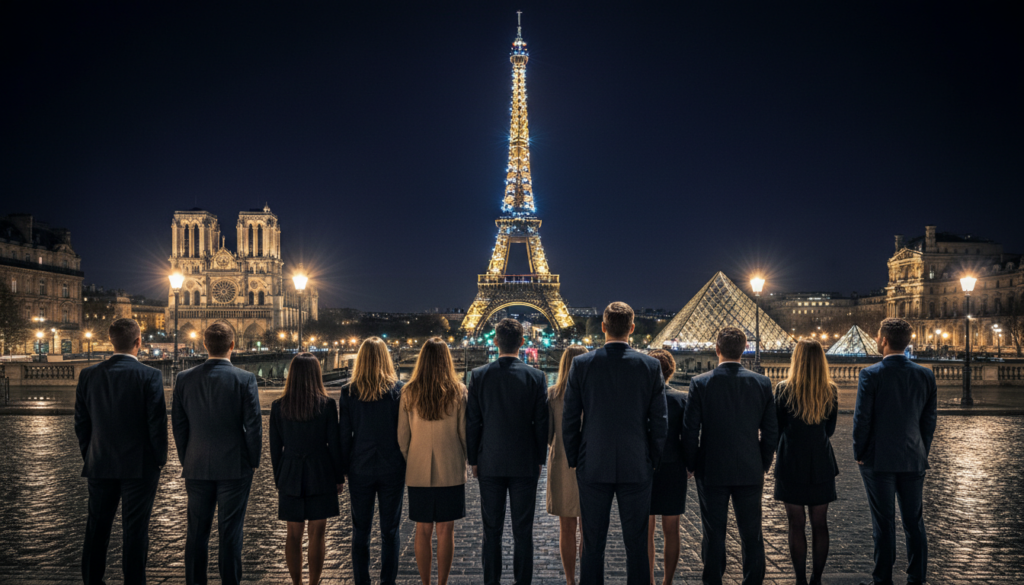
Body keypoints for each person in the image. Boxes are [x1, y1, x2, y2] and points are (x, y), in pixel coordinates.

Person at [563, 302, 668, 585]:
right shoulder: (650, 366)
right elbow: (660, 422)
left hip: (593, 464)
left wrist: (575, 459)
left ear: (603, 327)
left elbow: (570, 419)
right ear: (632, 328)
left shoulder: (582, 364)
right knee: (637, 547)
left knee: (592, 545)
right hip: (637, 464)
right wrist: (652, 460)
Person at [74, 318, 166, 585]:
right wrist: (159, 460)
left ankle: (92, 580)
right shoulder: (150, 375)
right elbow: (156, 424)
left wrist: (91, 453)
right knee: (135, 530)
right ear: (139, 342)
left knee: (97, 527)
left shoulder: (88, 374)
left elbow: (81, 423)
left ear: (110, 340)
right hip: (140, 466)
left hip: (99, 461)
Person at [683, 326, 777, 585]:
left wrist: (690, 464)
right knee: (752, 536)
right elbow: (771, 432)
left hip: (711, 468)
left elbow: (690, 431)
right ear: (745, 349)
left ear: (717, 349)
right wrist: (763, 462)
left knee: (713, 536)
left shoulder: (700, 383)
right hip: (749, 467)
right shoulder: (762, 383)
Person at [171, 323, 262, 585]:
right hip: (235, 465)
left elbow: (179, 425)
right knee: (230, 533)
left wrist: (187, 457)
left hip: (196, 463)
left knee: (196, 533)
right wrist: (252, 461)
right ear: (233, 345)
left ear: (204, 345)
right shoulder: (245, 379)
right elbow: (253, 426)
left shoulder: (183, 378)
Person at [853, 318, 937, 585]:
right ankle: (917, 577)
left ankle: (883, 578)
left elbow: (862, 420)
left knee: (884, 524)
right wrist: (921, 450)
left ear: (883, 340)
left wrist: (860, 452)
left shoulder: (870, 374)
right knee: (915, 523)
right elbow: (928, 421)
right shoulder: (926, 374)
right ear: (908, 341)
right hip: (914, 457)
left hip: (878, 460)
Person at [467, 318, 548, 585]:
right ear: (523, 343)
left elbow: (473, 422)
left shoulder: (478, 375)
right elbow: (541, 423)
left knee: (491, 530)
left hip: (489, 460)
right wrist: (539, 458)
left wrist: (473, 459)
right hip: (525, 462)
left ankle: (491, 581)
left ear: (495, 341)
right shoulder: (537, 377)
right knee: (523, 531)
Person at [397, 337, 468, 585]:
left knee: (422, 530)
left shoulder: (407, 391)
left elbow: (403, 438)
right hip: (450, 469)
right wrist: (462, 459)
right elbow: (464, 434)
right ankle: (442, 583)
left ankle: (425, 583)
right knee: (446, 530)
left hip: (418, 470)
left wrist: (415, 458)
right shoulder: (458, 391)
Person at [270, 352, 344, 585]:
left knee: (293, 535)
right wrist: (338, 477)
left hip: (290, 473)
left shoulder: (278, 407)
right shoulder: (327, 405)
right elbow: (334, 445)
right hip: (320, 472)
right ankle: (314, 582)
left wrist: (279, 478)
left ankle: (297, 584)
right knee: (317, 534)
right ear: (316, 375)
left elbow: (274, 449)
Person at [339, 337, 406, 585]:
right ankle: (388, 581)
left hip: (360, 467)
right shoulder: (399, 390)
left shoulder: (348, 392)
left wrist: (343, 469)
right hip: (392, 466)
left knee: (360, 531)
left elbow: (344, 436)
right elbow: (404, 433)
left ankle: (362, 581)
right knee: (390, 531)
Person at [773, 339, 840, 585]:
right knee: (820, 524)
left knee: (796, 525)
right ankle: (817, 579)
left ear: (796, 360)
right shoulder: (830, 390)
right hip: (821, 463)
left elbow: (777, 428)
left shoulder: (782, 389)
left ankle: (800, 580)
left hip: (791, 462)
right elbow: (830, 430)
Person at [547, 344, 587, 585]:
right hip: (590, 463)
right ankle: (586, 577)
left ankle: (570, 580)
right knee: (589, 529)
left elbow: (548, 435)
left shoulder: (552, 395)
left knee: (566, 528)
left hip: (561, 464)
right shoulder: (594, 393)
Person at [646, 349, 688, 585]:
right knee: (672, 530)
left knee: (646, 532)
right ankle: (667, 581)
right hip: (674, 468)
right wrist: (690, 464)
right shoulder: (682, 399)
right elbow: (689, 437)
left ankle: (649, 579)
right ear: (671, 371)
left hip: (645, 468)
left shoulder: (641, 399)